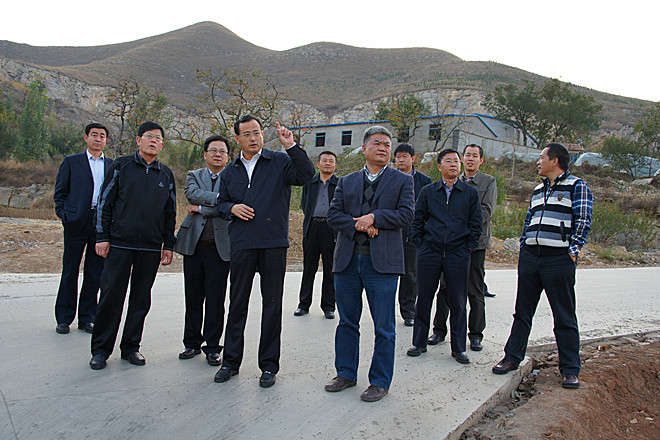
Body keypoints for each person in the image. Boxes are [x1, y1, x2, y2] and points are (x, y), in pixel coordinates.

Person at [213, 115, 314, 388]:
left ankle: (268, 366)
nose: (253, 138)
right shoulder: (230, 171)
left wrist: (291, 145)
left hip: (272, 244)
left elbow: (307, 175)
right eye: (247, 134)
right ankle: (230, 362)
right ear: (237, 138)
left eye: (257, 132)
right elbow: (220, 203)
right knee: (237, 305)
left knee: (272, 306)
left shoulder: (279, 162)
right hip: (242, 244)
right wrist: (232, 208)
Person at [324, 126, 414, 402]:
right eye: (377, 143)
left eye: (387, 144)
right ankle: (346, 373)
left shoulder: (402, 181)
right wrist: (360, 225)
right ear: (364, 149)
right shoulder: (347, 181)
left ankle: (379, 381)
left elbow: (406, 215)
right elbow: (333, 215)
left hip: (382, 265)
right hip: (348, 261)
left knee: (384, 327)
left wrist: (374, 217)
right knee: (347, 322)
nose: (383, 148)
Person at [492, 143, 593, 389]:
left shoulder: (577, 186)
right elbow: (529, 219)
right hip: (531, 258)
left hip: (558, 259)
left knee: (564, 315)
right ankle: (512, 357)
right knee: (522, 311)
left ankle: (570, 369)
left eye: (541, 157)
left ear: (554, 160)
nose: (538, 162)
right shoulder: (538, 189)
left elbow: (583, 220)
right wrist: (524, 244)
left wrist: (572, 252)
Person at [89, 121, 176, 370]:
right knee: (111, 296)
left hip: (150, 247)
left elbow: (170, 212)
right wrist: (102, 236)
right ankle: (101, 350)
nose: (153, 141)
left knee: (140, 300)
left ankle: (130, 347)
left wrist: (168, 244)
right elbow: (105, 202)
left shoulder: (165, 174)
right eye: (149, 136)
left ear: (162, 144)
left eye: (158, 138)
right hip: (120, 244)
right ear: (138, 140)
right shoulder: (121, 166)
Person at [407, 149, 482, 364]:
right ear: (440, 167)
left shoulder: (469, 193)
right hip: (429, 252)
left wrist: (467, 248)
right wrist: (421, 244)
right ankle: (419, 343)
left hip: (458, 254)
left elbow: (476, 223)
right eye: (448, 161)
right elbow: (417, 219)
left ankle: (458, 348)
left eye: (456, 161)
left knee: (458, 301)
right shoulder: (428, 192)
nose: (454, 164)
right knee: (424, 298)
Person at [429, 144, 497, 351]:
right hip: (450, 245)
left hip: (475, 244)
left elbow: (486, 211)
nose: (470, 159)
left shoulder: (488, 182)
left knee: (474, 289)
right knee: (445, 289)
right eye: (467, 155)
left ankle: (475, 334)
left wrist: (460, 225)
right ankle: (439, 330)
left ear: (481, 160)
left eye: (475, 156)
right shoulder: (453, 182)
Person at [173, 135, 231, 366]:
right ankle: (191, 343)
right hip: (194, 246)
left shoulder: (233, 177)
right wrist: (220, 200)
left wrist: (201, 208)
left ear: (228, 156)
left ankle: (213, 347)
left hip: (220, 248)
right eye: (213, 150)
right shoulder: (194, 175)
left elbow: (231, 204)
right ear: (205, 154)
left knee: (216, 300)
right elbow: (191, 194)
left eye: (222, 151)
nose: (218, 154)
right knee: (193, 297)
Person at [54, 123, 113, 335]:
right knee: (70, 270)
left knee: (95, 272)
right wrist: (66, 215)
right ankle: (64, 318)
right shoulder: (72, 162)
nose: (98, 139)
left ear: (106, 141)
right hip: (76, 220)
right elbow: (60, 193)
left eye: (102, 136)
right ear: (86, 137)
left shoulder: (112, 165)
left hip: (100, 223)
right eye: (94, 135)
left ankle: (87, 317)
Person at [295, 151, 339, 319]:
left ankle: (328, 307)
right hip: (312, 227)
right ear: (318, 164)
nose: (327, 163)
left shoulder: (340, 184)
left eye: (331, 161)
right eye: (324, 160)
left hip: (331, 229)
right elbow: (304, 204)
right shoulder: (310, 183)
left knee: (330, 268)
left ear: (335, 165)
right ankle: (303, 304)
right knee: (309, 268)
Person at [393, 143, 432, 326]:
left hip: (414, 234)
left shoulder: (424, 182)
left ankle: (408, 311)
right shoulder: (389, 178)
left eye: (405, 156)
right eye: (398, 157)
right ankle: (385, 310)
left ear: (413, 159)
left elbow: (430, 208)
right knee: (388, 272)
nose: (401, 160)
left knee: (411, 274)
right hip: (392, 232)